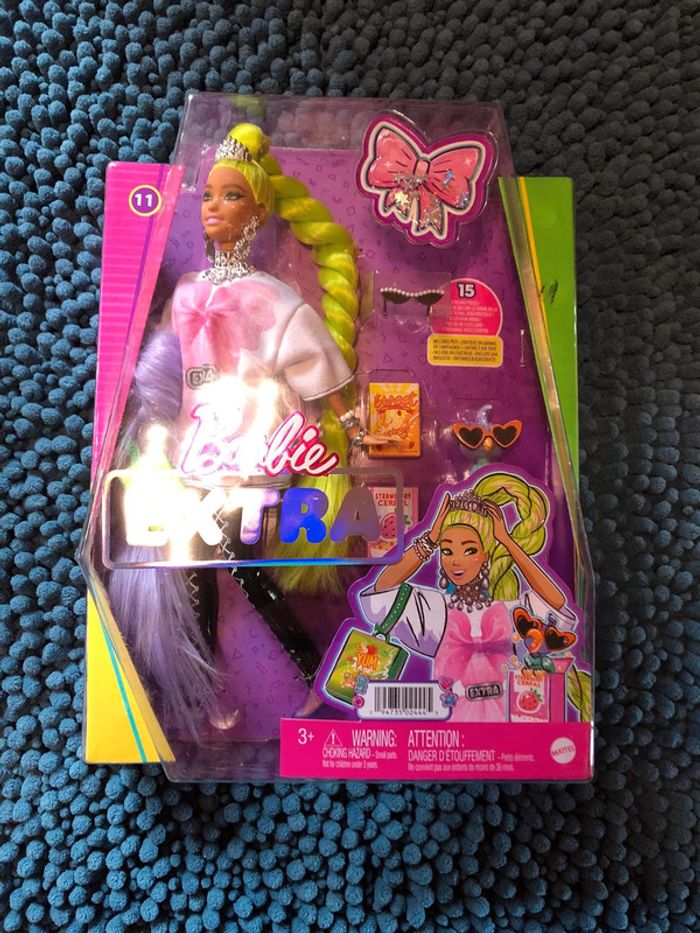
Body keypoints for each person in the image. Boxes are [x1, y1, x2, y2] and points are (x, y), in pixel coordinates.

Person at [109, 123, 383, 736]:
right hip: (193, 455)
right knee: (201, 564)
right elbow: (167, 372)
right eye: (208, 195)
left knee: (233, 564)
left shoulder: (272, 298)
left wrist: (346, 433)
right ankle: (212, 686)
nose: (213, 207)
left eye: (231, 196)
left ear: (258, 213)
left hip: (253, 458)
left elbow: (321, 377)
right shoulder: (187, 291)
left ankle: (300, 676)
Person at [358, 472, 578, 722]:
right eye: (447, 550)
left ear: (485, 555)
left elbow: (556, 603)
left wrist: (508, 543)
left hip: (511, 723)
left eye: (469, 550)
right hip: (451, 725)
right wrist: (430, 539)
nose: (456, 561)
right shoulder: (435, 611)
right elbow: (383, 588)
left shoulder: (511, 613)